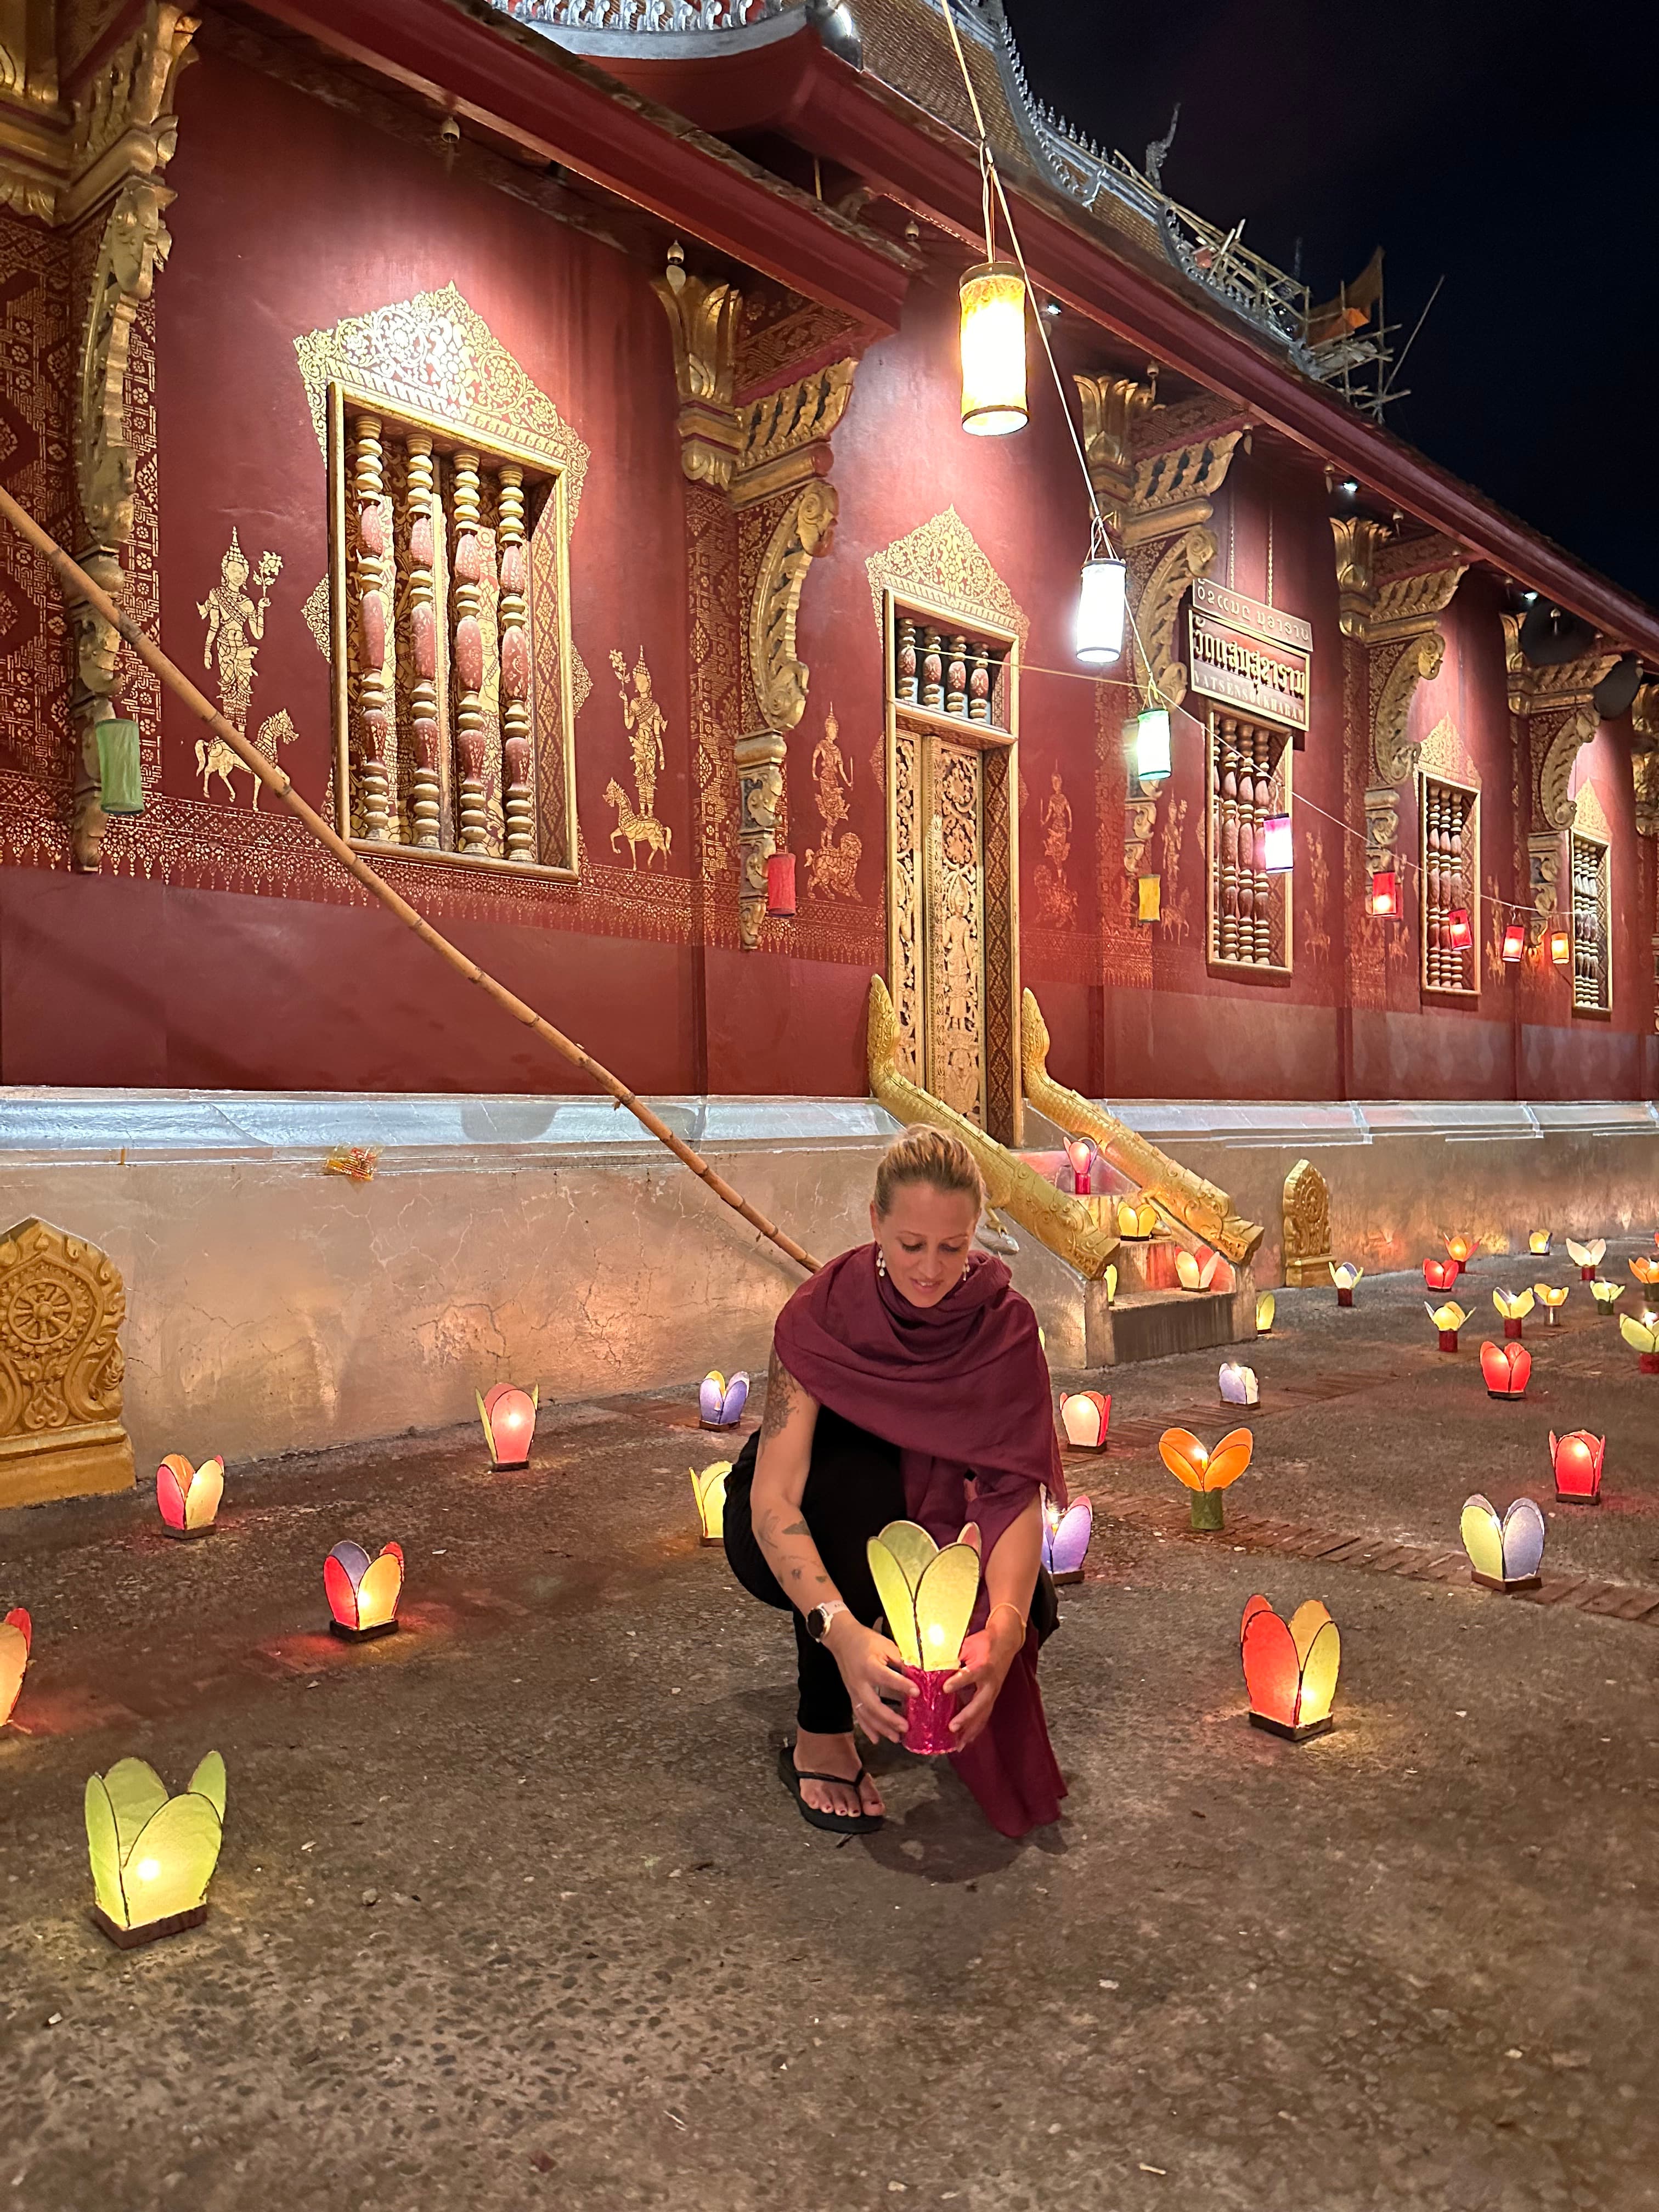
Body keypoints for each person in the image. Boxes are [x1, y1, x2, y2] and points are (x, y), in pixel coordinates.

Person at [722, 1124, 1068, 1839]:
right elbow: (776, 1499)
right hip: (814, 1504)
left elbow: (1011, 1492)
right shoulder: (821, 1316)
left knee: (1021, 1595)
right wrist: (840, 1631)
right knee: (861, 1501)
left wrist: (1002, 1631)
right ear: (876, 1223)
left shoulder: (1004, 1329)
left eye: (953, 1247)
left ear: (977, 1234)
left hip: (929, 1500)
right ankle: (821, 1731)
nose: (931, 1271)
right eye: (911, 1245)